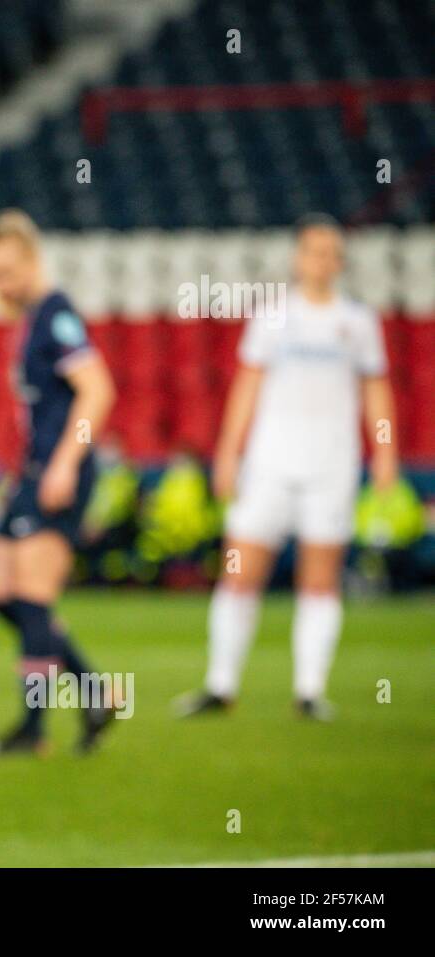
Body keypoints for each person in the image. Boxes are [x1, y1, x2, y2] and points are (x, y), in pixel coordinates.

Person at [175, 215, 398, 720]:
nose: (321, 260)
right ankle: (221, 684)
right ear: (298, 258)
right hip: (270, 463)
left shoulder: (357, 322)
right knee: (238, 572)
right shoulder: (272, 317)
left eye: (329, 252)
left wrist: (384, 449)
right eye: (312, 250)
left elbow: (376, 391)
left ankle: (309, 690)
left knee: (319, 581)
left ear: (339, 262)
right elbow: (247, 385)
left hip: (331, 466)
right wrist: (229, 451)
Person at [0, 209, 119, 756]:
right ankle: (93, 690)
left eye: (6, 271)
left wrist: (63, 463)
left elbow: (97, 391)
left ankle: (34, 731)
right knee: (1, 594)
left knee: (33, 598)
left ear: (32, 260)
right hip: (33, 473)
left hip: (62, 472)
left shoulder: (58, 315)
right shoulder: (31, 317)